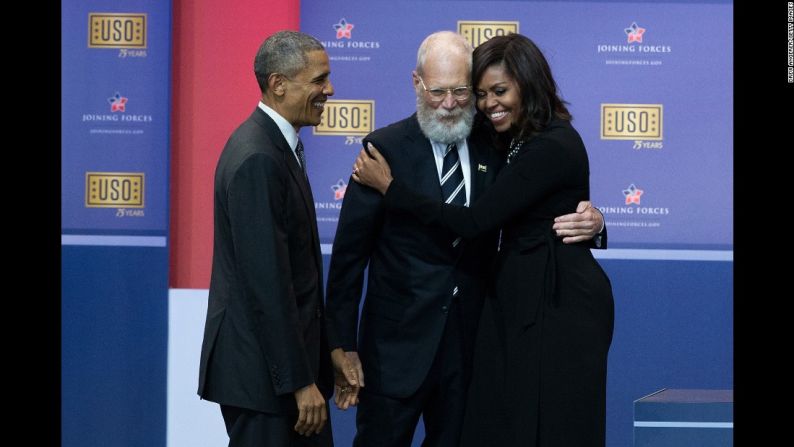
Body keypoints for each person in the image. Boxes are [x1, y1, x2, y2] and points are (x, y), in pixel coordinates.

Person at [326, 31, 605, 447]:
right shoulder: (382, 151)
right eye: (438, 91)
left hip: (472, 348)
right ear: (417, 83)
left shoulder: (497, 142)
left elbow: (532, 198)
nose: (451, 103)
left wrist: (597, 222)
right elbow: (349, 259)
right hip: (396, 350)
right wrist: (342, 345)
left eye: (461, 91)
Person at [197, 30, 357, 447]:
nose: (330, 89)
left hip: (279, 376)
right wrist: (299, 383)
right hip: (267, 383)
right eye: (319, 79)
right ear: (278, 84)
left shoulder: (274, 147)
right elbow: (266, 286)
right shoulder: (258, 158)